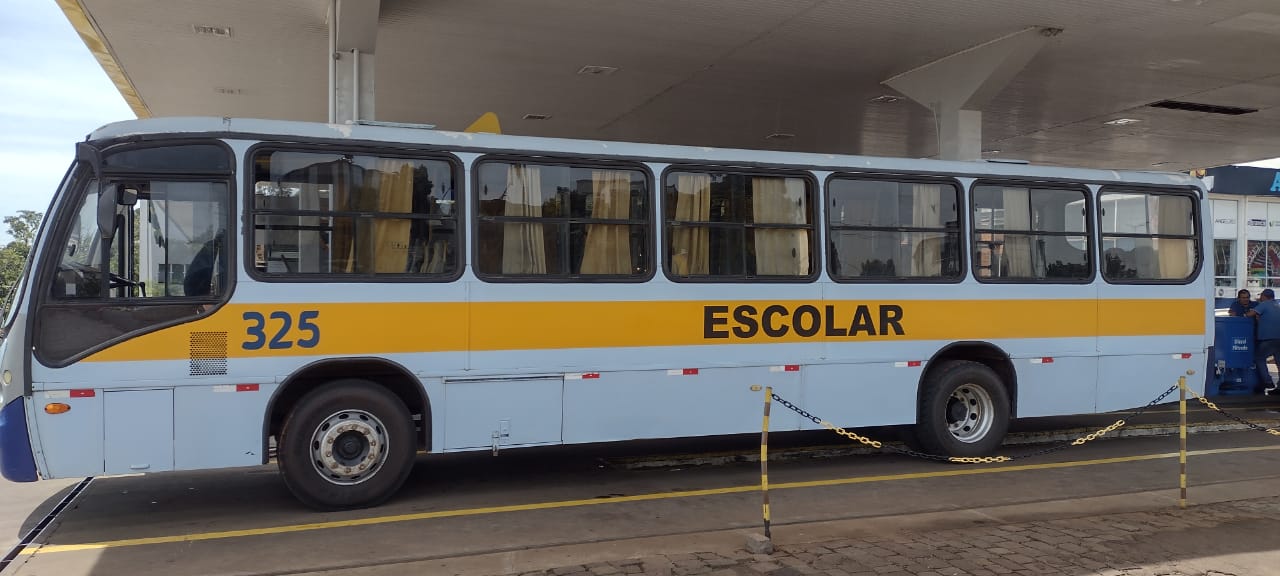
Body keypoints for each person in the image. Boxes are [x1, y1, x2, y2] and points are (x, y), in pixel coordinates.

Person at [1247, 289, 1280, 392]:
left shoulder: (1264, 304)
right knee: (1279, 362)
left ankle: (1268, 382)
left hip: (1268, 339)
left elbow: (1249, 314)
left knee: (1259, 358)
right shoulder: (1277, 305)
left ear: (1264, 296)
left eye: (1261, 295)